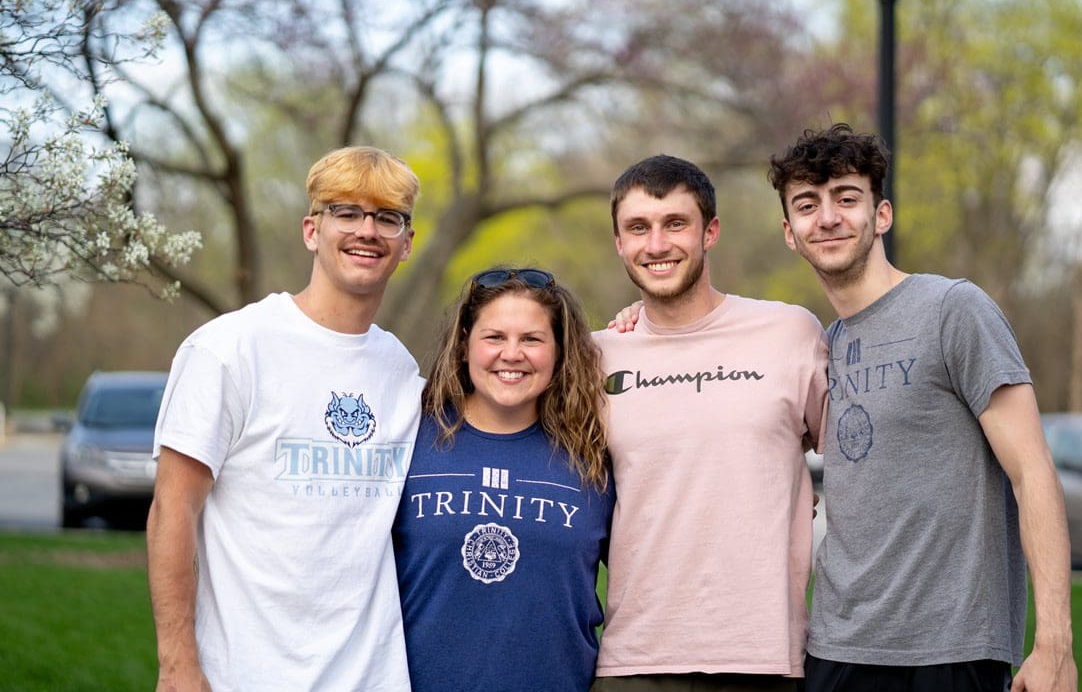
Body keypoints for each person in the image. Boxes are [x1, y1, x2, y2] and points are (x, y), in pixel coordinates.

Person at [767, 123, 1077, 692]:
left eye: (847, 198)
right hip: (836, 649)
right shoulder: (817, 346)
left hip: (951, 651)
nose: (828, 217)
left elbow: (1032, 473)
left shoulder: (953, 310)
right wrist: (639, 325)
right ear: (790, 232)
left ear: (881, 215)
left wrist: (1055, 643)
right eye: (808, 205)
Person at [146, 146, 424, 691]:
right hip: (245, 676)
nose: (367, 230)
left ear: (406, 243)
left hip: (373, 678)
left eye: (387, 217)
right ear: (311, 230)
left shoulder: (400, 368)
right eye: (346, 212)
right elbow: (171, 510)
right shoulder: (229, 349)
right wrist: (177, 663)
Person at [591, 155, 828, 691]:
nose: (656, 245)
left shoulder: (789, 333)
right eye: (638, 228)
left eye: (675, 224)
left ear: (710, 232)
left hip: (765, 659)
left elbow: (858, 462)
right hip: (635, 662)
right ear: (619, 242)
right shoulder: (595, 358)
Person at [393, 266, 614, 692]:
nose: (512, 354)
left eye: (531, 339)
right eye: (494, 337)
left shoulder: (593, 454)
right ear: (463, 347)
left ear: (559, 352)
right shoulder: (407, 438)